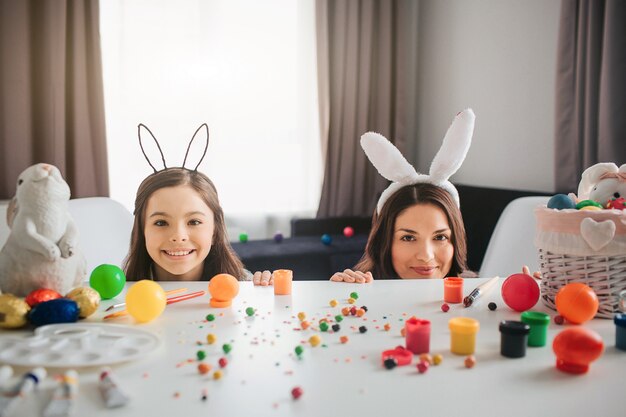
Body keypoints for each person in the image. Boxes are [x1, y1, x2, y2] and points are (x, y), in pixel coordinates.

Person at [331, 109, 475, 282]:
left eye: (440, 237)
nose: (426, 256)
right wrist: (343, 298)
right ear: (384, 242)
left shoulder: (475, 294)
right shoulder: (365, 292)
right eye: (408, 237)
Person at [124, 123, 272, 284]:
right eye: (161, 222)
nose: (179, 237)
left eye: (194, 222)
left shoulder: (243, 284)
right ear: (142, 230)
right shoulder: (122, 292)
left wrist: (265, 289)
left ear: (215, 230)